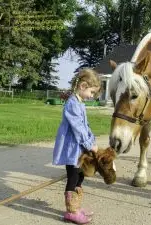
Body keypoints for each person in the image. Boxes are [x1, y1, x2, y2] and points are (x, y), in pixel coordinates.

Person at [52, 68, 101, 223]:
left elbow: (85, 126)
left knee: (80, 176)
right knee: (73, 178)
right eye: (92, 92)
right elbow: (78, 128)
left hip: (80, 150)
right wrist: (88, 144)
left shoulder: (79, 102)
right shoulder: (72, 103)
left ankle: (76, 207)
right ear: (83, 86)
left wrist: (92, 140)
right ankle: (71, 211)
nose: (92, 96)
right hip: (73, 150)